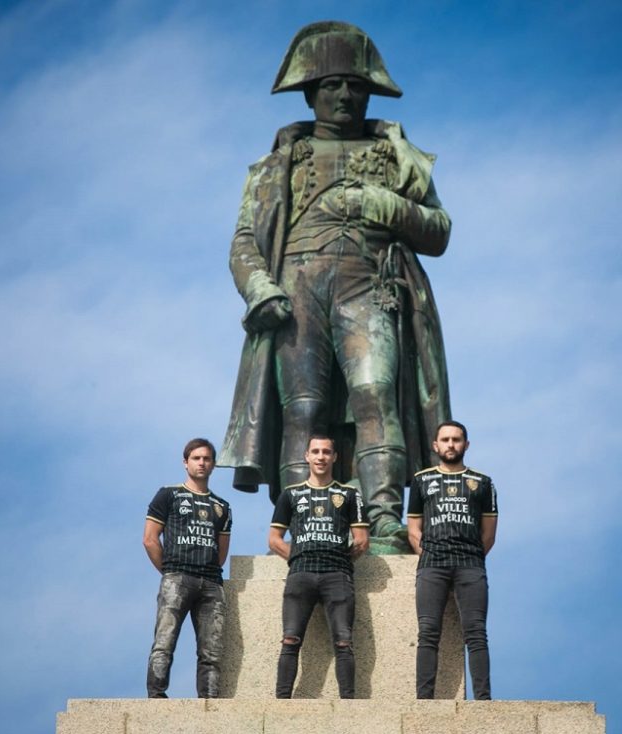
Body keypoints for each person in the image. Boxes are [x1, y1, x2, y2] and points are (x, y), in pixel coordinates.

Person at [221, 20, 453, 548]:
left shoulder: (398, 155)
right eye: (332, 86)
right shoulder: (276, 163)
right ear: (310, 94)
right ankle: (304, 518)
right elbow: (243, 242)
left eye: (356, 86)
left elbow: (438, 230)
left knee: (375, 394)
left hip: (368, 286)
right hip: (296, 287)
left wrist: (382, 203)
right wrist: (261, 288)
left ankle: (385, 516)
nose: (346, 95)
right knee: (302, 407)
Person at [269, 435, 370, 698]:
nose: (321, 456)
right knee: (290, 639)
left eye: (326, 452)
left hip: (337, 575)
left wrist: (338, 557)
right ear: (307, 456)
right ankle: (282, 702)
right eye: (315, 451)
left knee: (344, 642)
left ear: (334, 457)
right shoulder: (290, 494)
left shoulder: (349, 494)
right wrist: (299, 555)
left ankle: (349, 702)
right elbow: (274, 539)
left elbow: (361, 541)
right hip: (300, 574)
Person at [406, 420, 497, 700]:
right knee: (428, 632)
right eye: (445, 440)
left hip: (470, 565)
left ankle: (483, 699)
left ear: (466, 445)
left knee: (476, 633)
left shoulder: (482, 483)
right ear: (436, 445)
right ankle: (424, 699)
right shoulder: (421, 480)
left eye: (456, 439)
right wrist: (431, 555)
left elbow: (489, 535)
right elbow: (413, 530)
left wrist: (469, 556)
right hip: (432, 565)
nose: (450, 444)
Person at [142, 438, 233, 698]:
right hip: (177, 578)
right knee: (164, 642)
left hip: (211, 584)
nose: (201, 463)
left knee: (211, 652)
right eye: (196, 458)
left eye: (206, 459)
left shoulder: (222, 507)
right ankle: (157, 696)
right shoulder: (168, 495)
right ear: (186, 462)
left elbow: (221, 551)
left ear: (213, 464)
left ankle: (210, 702)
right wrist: (169, 570)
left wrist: (208, 571)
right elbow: (150, 539)